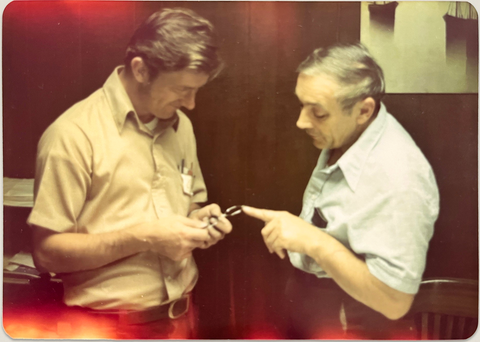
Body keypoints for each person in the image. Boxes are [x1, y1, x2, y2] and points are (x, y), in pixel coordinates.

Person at [27, 8, 232, 339]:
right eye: (182, 89)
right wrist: (145, 237)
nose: (191, 103)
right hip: (107, 327)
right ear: (140, 70)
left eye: (196, 90)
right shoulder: (72, 135)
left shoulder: (182, 128)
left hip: (182, 319)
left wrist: (199, 220)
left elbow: (188, 203)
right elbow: (46, 254)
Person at [242, 42, 439, 339]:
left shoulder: (400, 177)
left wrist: (313, 241)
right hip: (318, 310)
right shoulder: (350, 133)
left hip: (351, 325)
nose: (300, 122)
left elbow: (395, 301)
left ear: (363, 110)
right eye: (302, 105)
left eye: (318, 113)